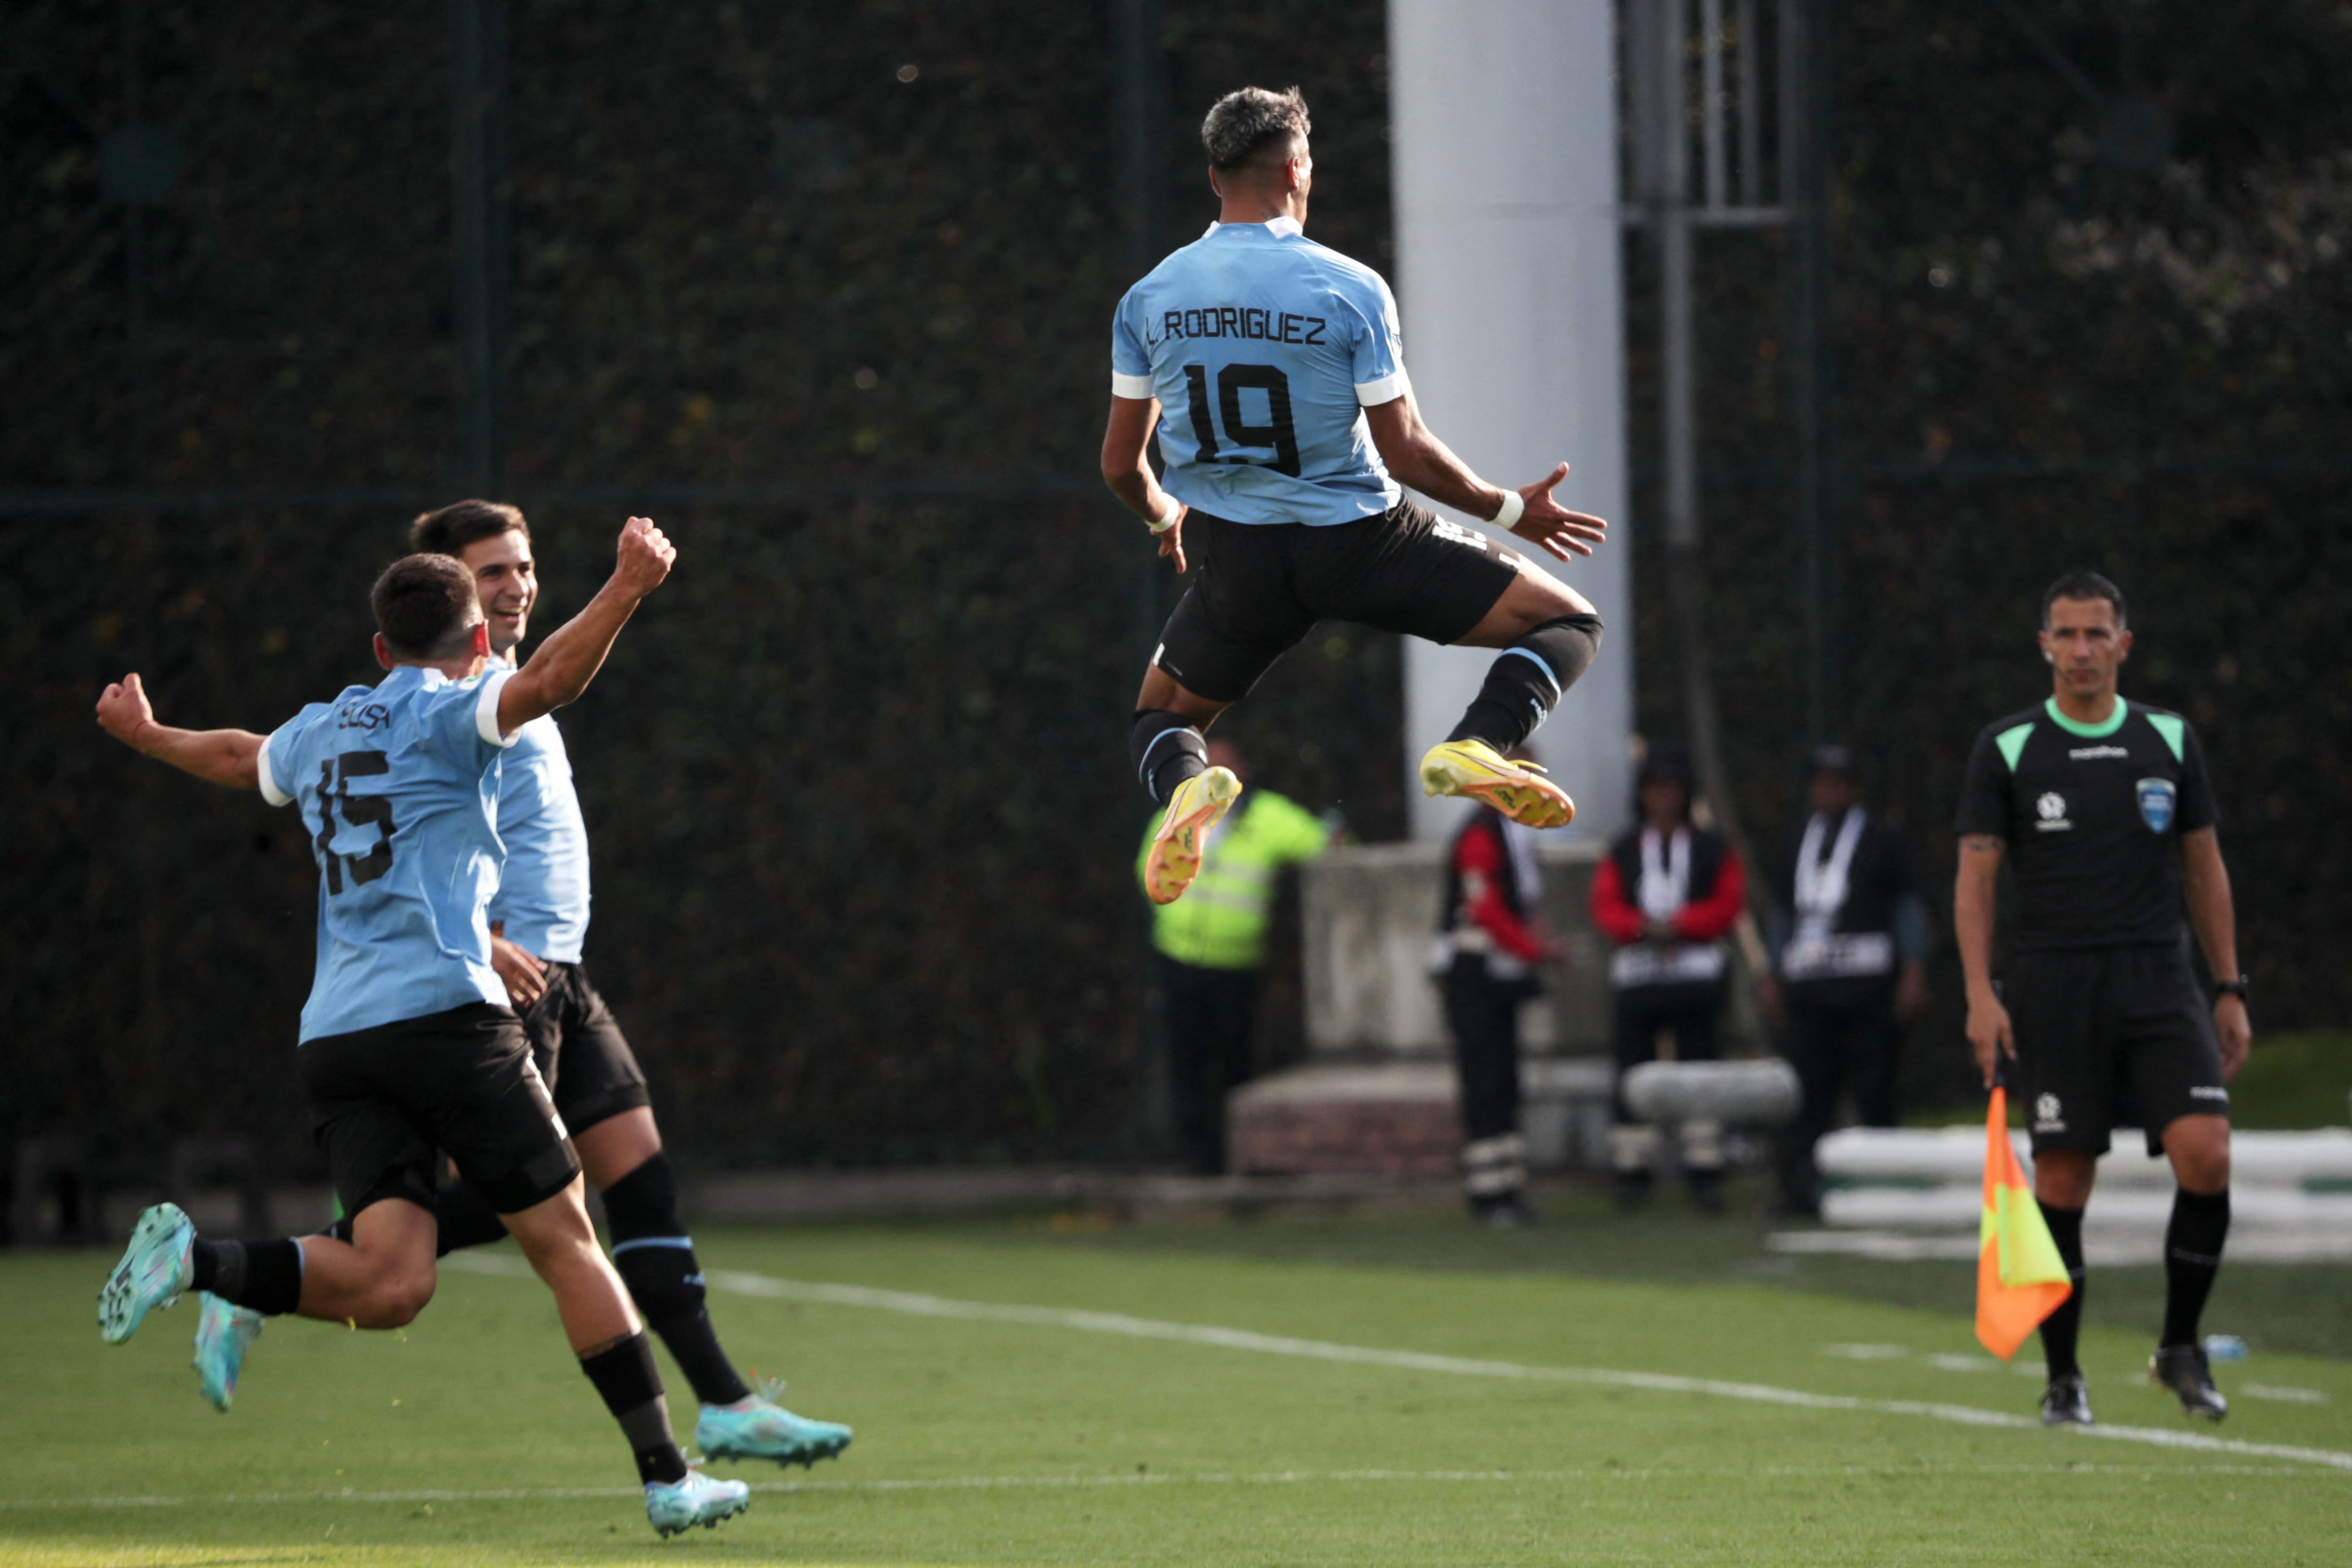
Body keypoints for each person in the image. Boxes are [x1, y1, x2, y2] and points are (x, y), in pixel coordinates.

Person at [92, 523, 752, 1537]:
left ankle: (197, 1263)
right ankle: (668, 1475)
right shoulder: (457, 712)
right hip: (446, 1023)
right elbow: (555, 684)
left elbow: (236, 755)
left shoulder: (322, 727)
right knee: (571, 1239)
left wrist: (145, 737)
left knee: (394, 1281)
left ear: (379, 649)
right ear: (478, 640)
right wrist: (626, 586)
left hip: (338, 1046)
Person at [400, 500, 850, 1468]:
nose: (516, 584)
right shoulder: (442, 696)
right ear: (447, 589)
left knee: (640, 1184)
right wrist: (476, 934)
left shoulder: (500, 675)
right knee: (509, 1204)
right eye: (492, 573)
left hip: (564, 975)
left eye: (522, 567)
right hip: (508, 983)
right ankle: (288, 1271)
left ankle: (725, 1403)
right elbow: (392, 839)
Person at [1102, 85, 1609, 905]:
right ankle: (1479, 744)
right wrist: (1509, 510)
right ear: (1299, 167)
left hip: (1239, 558)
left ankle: (1187, 791)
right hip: (1364, 542)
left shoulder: (1151, 297)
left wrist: (1164, 516)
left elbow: (1121, 465)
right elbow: (1404, 449)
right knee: (1567, 622)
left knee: (1162, 717)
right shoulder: (1348, 287)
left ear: (1212, 176)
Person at [1955, 570, 2249, 1428]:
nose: (2081, 650)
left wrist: (2228, 985)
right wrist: (1980, 993)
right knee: (2063, 1178)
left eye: (2096, 635)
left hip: (2160, 977)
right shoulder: (2008, 748)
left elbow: (2204, 864)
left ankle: (2181, 1347)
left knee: (2209, 1155)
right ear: (2043, 644)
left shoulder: (2168, 738)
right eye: (2065, 634)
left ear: (2125, 645)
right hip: (2055, 982)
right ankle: (2064, 1377)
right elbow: (1975, 881)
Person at [1137, 738, 1333, 1173]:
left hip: (1237, 964)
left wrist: (1337, 834)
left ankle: (1239, 1154)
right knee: (1187, 1061)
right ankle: (1196, 1157)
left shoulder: (1268, 818)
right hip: (1180, 958)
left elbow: (1323, 844)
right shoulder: (1177, 816)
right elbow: (1147, 872)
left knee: (1235, 1061)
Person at [1761, 745, 1931, 1218]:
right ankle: (1801, 1187)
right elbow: (1781, 913)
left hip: (1869, 988)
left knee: (1875, 1088)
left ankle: (1882, 1186)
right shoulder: (1797, 839)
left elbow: (1906, 908)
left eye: (1838, 782)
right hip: (1810, 989)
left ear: (1854, 788)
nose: (1828, 790)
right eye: (1820, 782)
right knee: (1808, 1093)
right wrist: (1771, 974)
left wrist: (1913, 970)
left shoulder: (1882, 839)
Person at [1589, 750, 1746, 1213]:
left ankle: (1705, 1169)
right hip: (1639, 977)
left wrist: (1681, 925)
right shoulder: (1623, 848)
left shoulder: (1711, 847)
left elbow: (1728, 902)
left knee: (1701, 1068)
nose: (1663, 798)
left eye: (1671, 789)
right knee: (1633, 1072)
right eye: (1654, 789)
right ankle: (1633, 1168)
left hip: (1696, 976)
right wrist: (1642, 928)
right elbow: (1605, 906)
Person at [1431, 755, 1561, 1227]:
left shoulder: (1511, 833)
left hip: (1497, 978)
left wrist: (1533, 941)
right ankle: (1489, 1194)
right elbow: (1485, 909)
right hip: (1477, 978)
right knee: (1487, 1084)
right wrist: (1535, 950)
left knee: (1503, 1082)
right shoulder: (1482, 834)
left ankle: (1505, 1186)